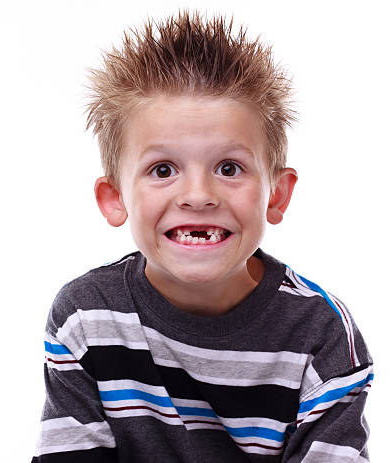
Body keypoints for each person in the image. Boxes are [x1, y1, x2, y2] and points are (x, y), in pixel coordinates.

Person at [31, 11, 373, 463]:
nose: (198, 195)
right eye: (163, 170)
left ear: (277, 195)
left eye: (229, 168)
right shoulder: (85, 319)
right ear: (115, 198)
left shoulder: (320, 335)